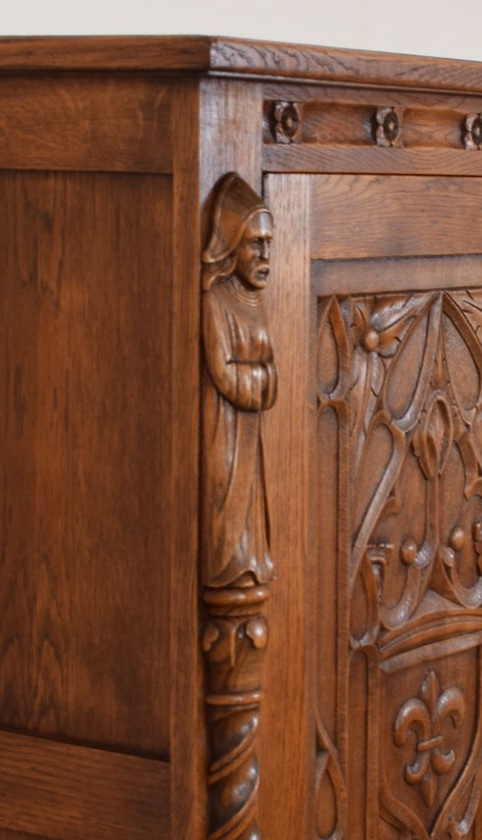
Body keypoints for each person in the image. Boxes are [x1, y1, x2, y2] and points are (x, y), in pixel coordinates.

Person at [201, 174, 277, 588]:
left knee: (253, 508)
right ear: (231, 247)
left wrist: (265, 375)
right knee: (229, 513)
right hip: (225, 429)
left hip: (250, 430)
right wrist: (263, 379)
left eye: (269, 244)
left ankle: (251, 564)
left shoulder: (255, 302)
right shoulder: (216, 301)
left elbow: (269, 365)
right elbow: (223, 373)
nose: (265, 255)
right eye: (254, 244)